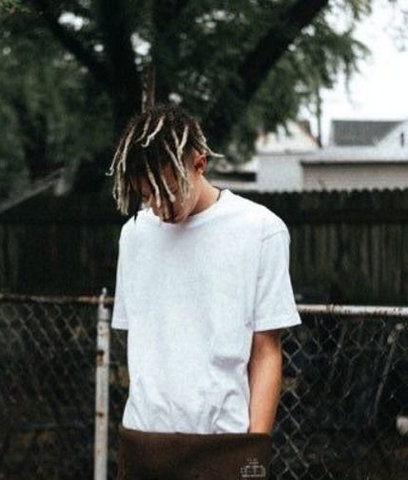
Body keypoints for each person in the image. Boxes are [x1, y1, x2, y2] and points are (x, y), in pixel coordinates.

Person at [106, 104, 302, 480]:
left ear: (199, 164)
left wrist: (253, 450)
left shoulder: (261, 230)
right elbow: (144, 346)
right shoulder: (134, 235)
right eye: (147, 195)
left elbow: (266, 350)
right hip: (143, 442)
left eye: (168, 191)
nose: (159, 207)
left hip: (224, 445)